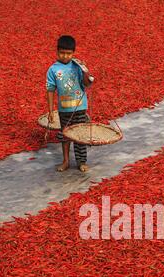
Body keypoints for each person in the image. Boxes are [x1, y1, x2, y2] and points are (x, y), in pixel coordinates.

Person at [46, 35, 92, 173]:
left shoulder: (77, 66)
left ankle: (81, 161)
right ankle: (65, 161)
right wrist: (50, 111)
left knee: (79, 135)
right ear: (57, 52)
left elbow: (87, 84)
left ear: (73, 53)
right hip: (64, 108)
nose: (65, 56)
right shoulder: (53, 69)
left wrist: (86, 72)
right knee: (65, 135)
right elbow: (50, 90)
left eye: (68, 53)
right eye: (62, 53)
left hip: (80, 106)